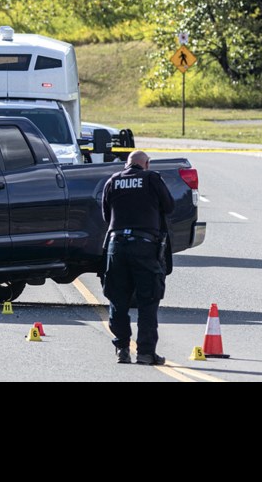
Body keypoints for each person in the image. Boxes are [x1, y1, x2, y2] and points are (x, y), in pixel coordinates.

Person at [101, 149, 174, 365]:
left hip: (116, 247)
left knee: (118, 300)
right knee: (148, 300)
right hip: (144, 246)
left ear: (127, 164)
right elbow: (169, 206)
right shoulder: (151, 178)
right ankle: (145, 353)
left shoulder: (113, 181)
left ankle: (122, 349)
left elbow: (106, 215)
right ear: (147, 164)